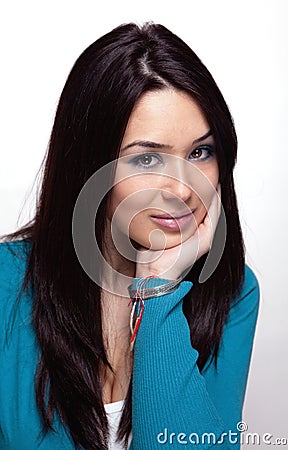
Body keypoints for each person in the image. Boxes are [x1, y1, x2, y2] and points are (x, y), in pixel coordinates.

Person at [0, 22, 260, 450]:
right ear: (89, 168)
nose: (182, 188)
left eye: (200, 152)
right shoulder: (8, 287)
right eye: (147, 158)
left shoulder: (232, 292)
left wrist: (159, 290)